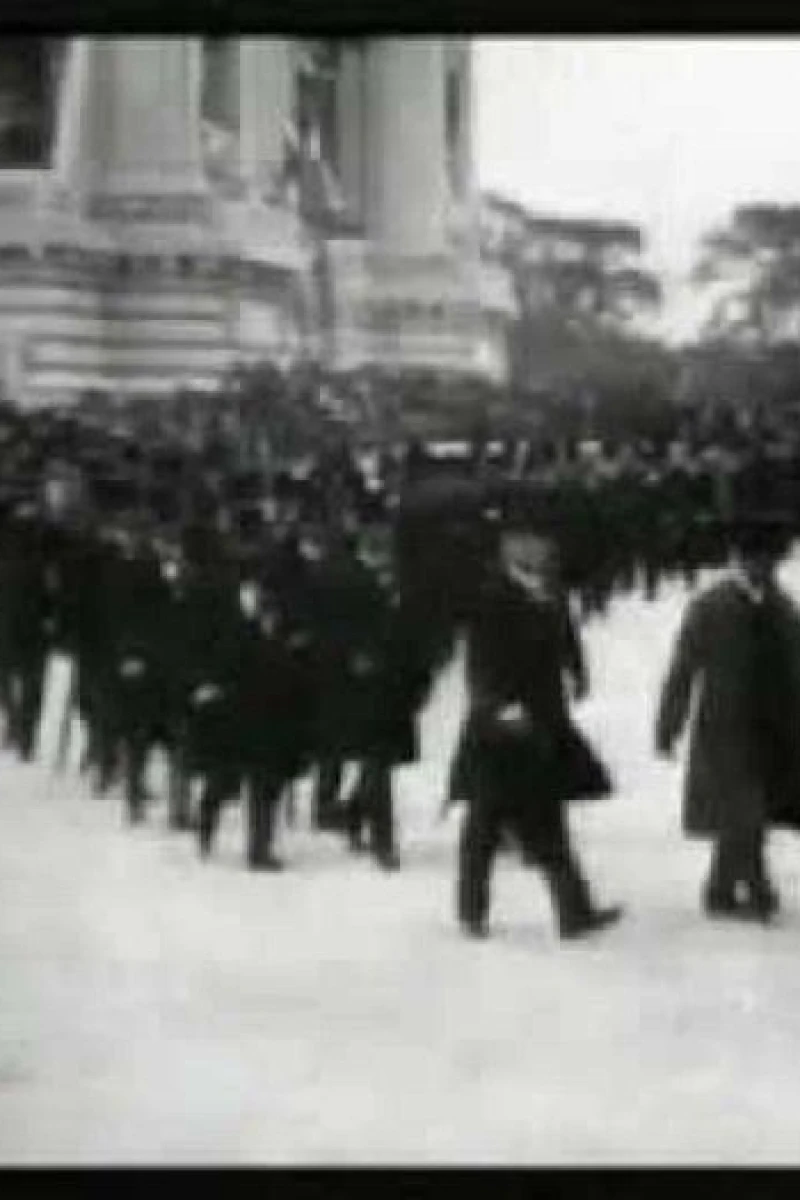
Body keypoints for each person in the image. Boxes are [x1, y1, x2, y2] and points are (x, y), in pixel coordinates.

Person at [455, 521, 621, 940]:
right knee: (487, 822)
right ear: (511, 549)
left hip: (541, 720)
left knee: (540, 819)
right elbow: (481, 661)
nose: (541, 550)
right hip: (503, 725)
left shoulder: (547, 591)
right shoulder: (493, 595)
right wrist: (498, 708)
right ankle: (474, 910)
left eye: (542, 542)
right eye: (528, 543)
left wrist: (576, 673)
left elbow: (565, 638)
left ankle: (573, 912)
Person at [655, 512, 800, 921]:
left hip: (774, 726)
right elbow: (683, 668)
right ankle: (758, 890)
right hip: (726, 727)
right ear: (740, 560)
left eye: (771, 563)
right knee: (745, 811)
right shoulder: (711, 606)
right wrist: (669, 724)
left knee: (749, 811)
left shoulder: (782, 605)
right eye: (757, 562)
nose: (765, 570)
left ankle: (719, 889)